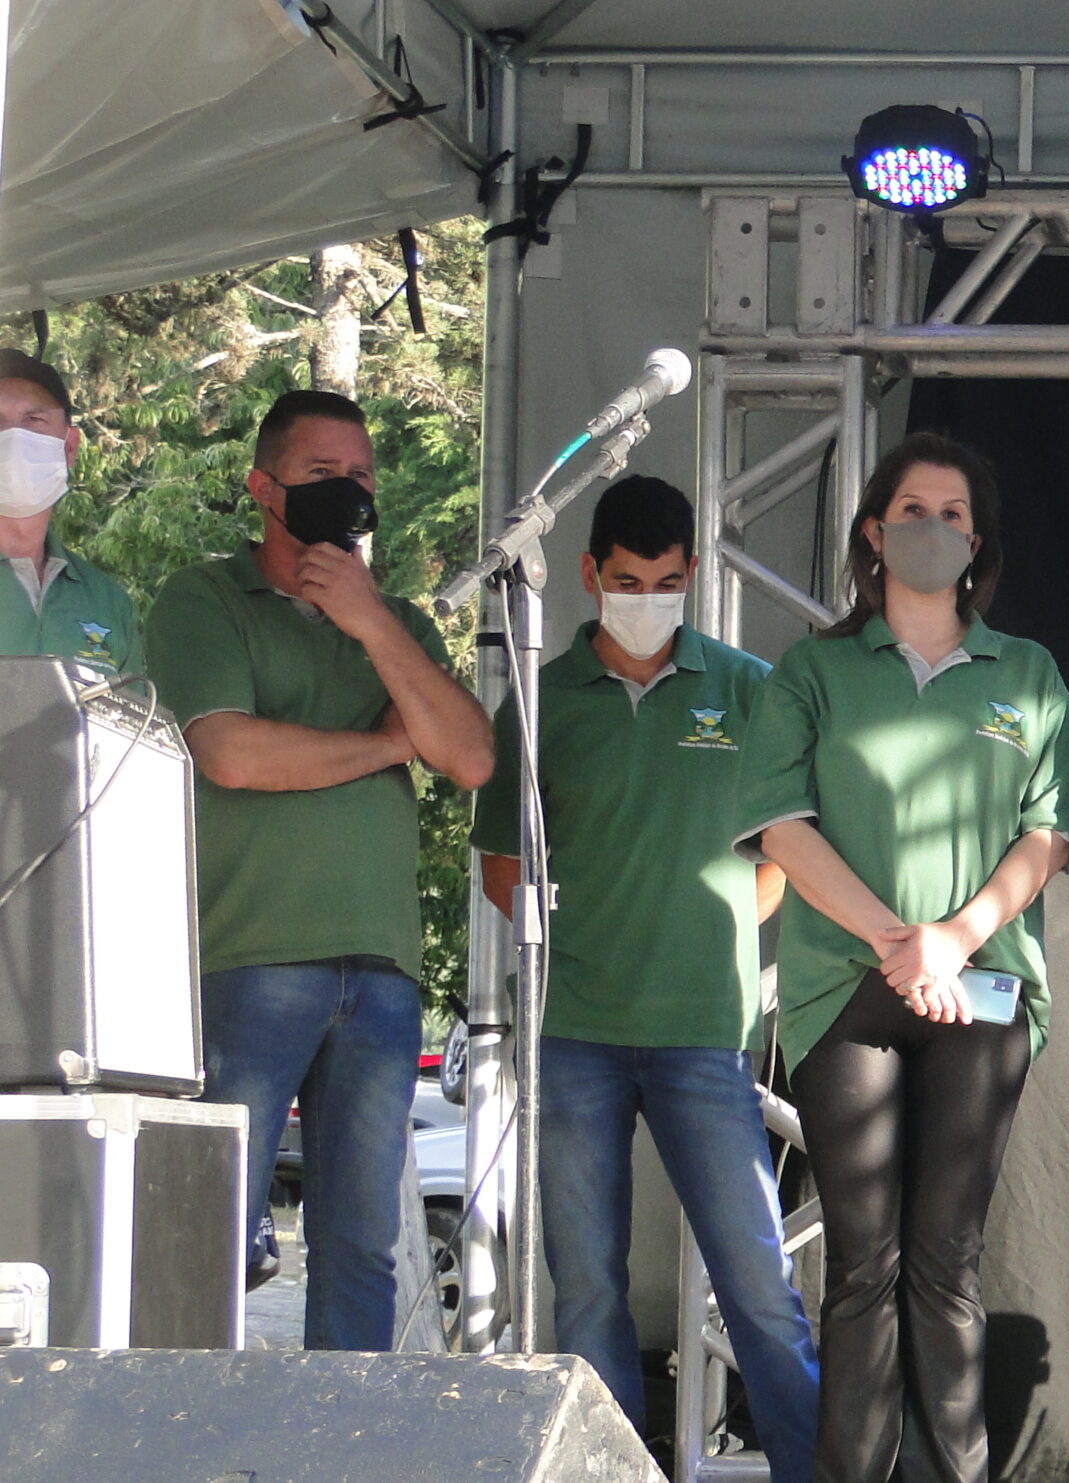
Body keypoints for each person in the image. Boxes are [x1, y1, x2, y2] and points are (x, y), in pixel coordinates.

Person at [733, 432, 1069, 1483]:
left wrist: (954, 938)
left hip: (980, 985)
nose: (931, 530)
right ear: (871, 533)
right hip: (845, 988)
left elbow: (1047, 834)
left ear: (978, 544)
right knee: (861, 1264)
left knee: (949, 1262)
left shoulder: (1027, 672)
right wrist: (897, 940)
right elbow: (781, 825)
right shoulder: (812, 669)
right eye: (912, 511)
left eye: (952, 515)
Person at [472, 475, 819, 1478]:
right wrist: (581, 932)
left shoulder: (751, 689)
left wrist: (706, 930)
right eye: (628, 579)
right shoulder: (539, 704)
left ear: (693, 575)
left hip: (702, 1033)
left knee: (757, 1279)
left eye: (668, 581)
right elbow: (504, 863)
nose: (647, 598)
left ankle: (816, 1469)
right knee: (584, 1288)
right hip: (573, 1029)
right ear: (587, 575)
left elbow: (787, 852)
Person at [143, 387, 495, 1347]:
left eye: (362, 479)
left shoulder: (403, 627)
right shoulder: (205, 598)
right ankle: (188, 1436)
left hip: (381, 974)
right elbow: (233, 755)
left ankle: (348, 1445)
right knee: (210, 1235)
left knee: (361, 1244)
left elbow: (469, 756)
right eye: (320, 476)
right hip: (249, 958)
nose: (348, 494)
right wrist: (387, 746)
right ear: (263, 487)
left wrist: (373, 623)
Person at [0, 347, 138, 670]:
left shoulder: (108, 602)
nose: (14, 437)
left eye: (34, 420)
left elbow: (134, 719)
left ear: (70, 447)